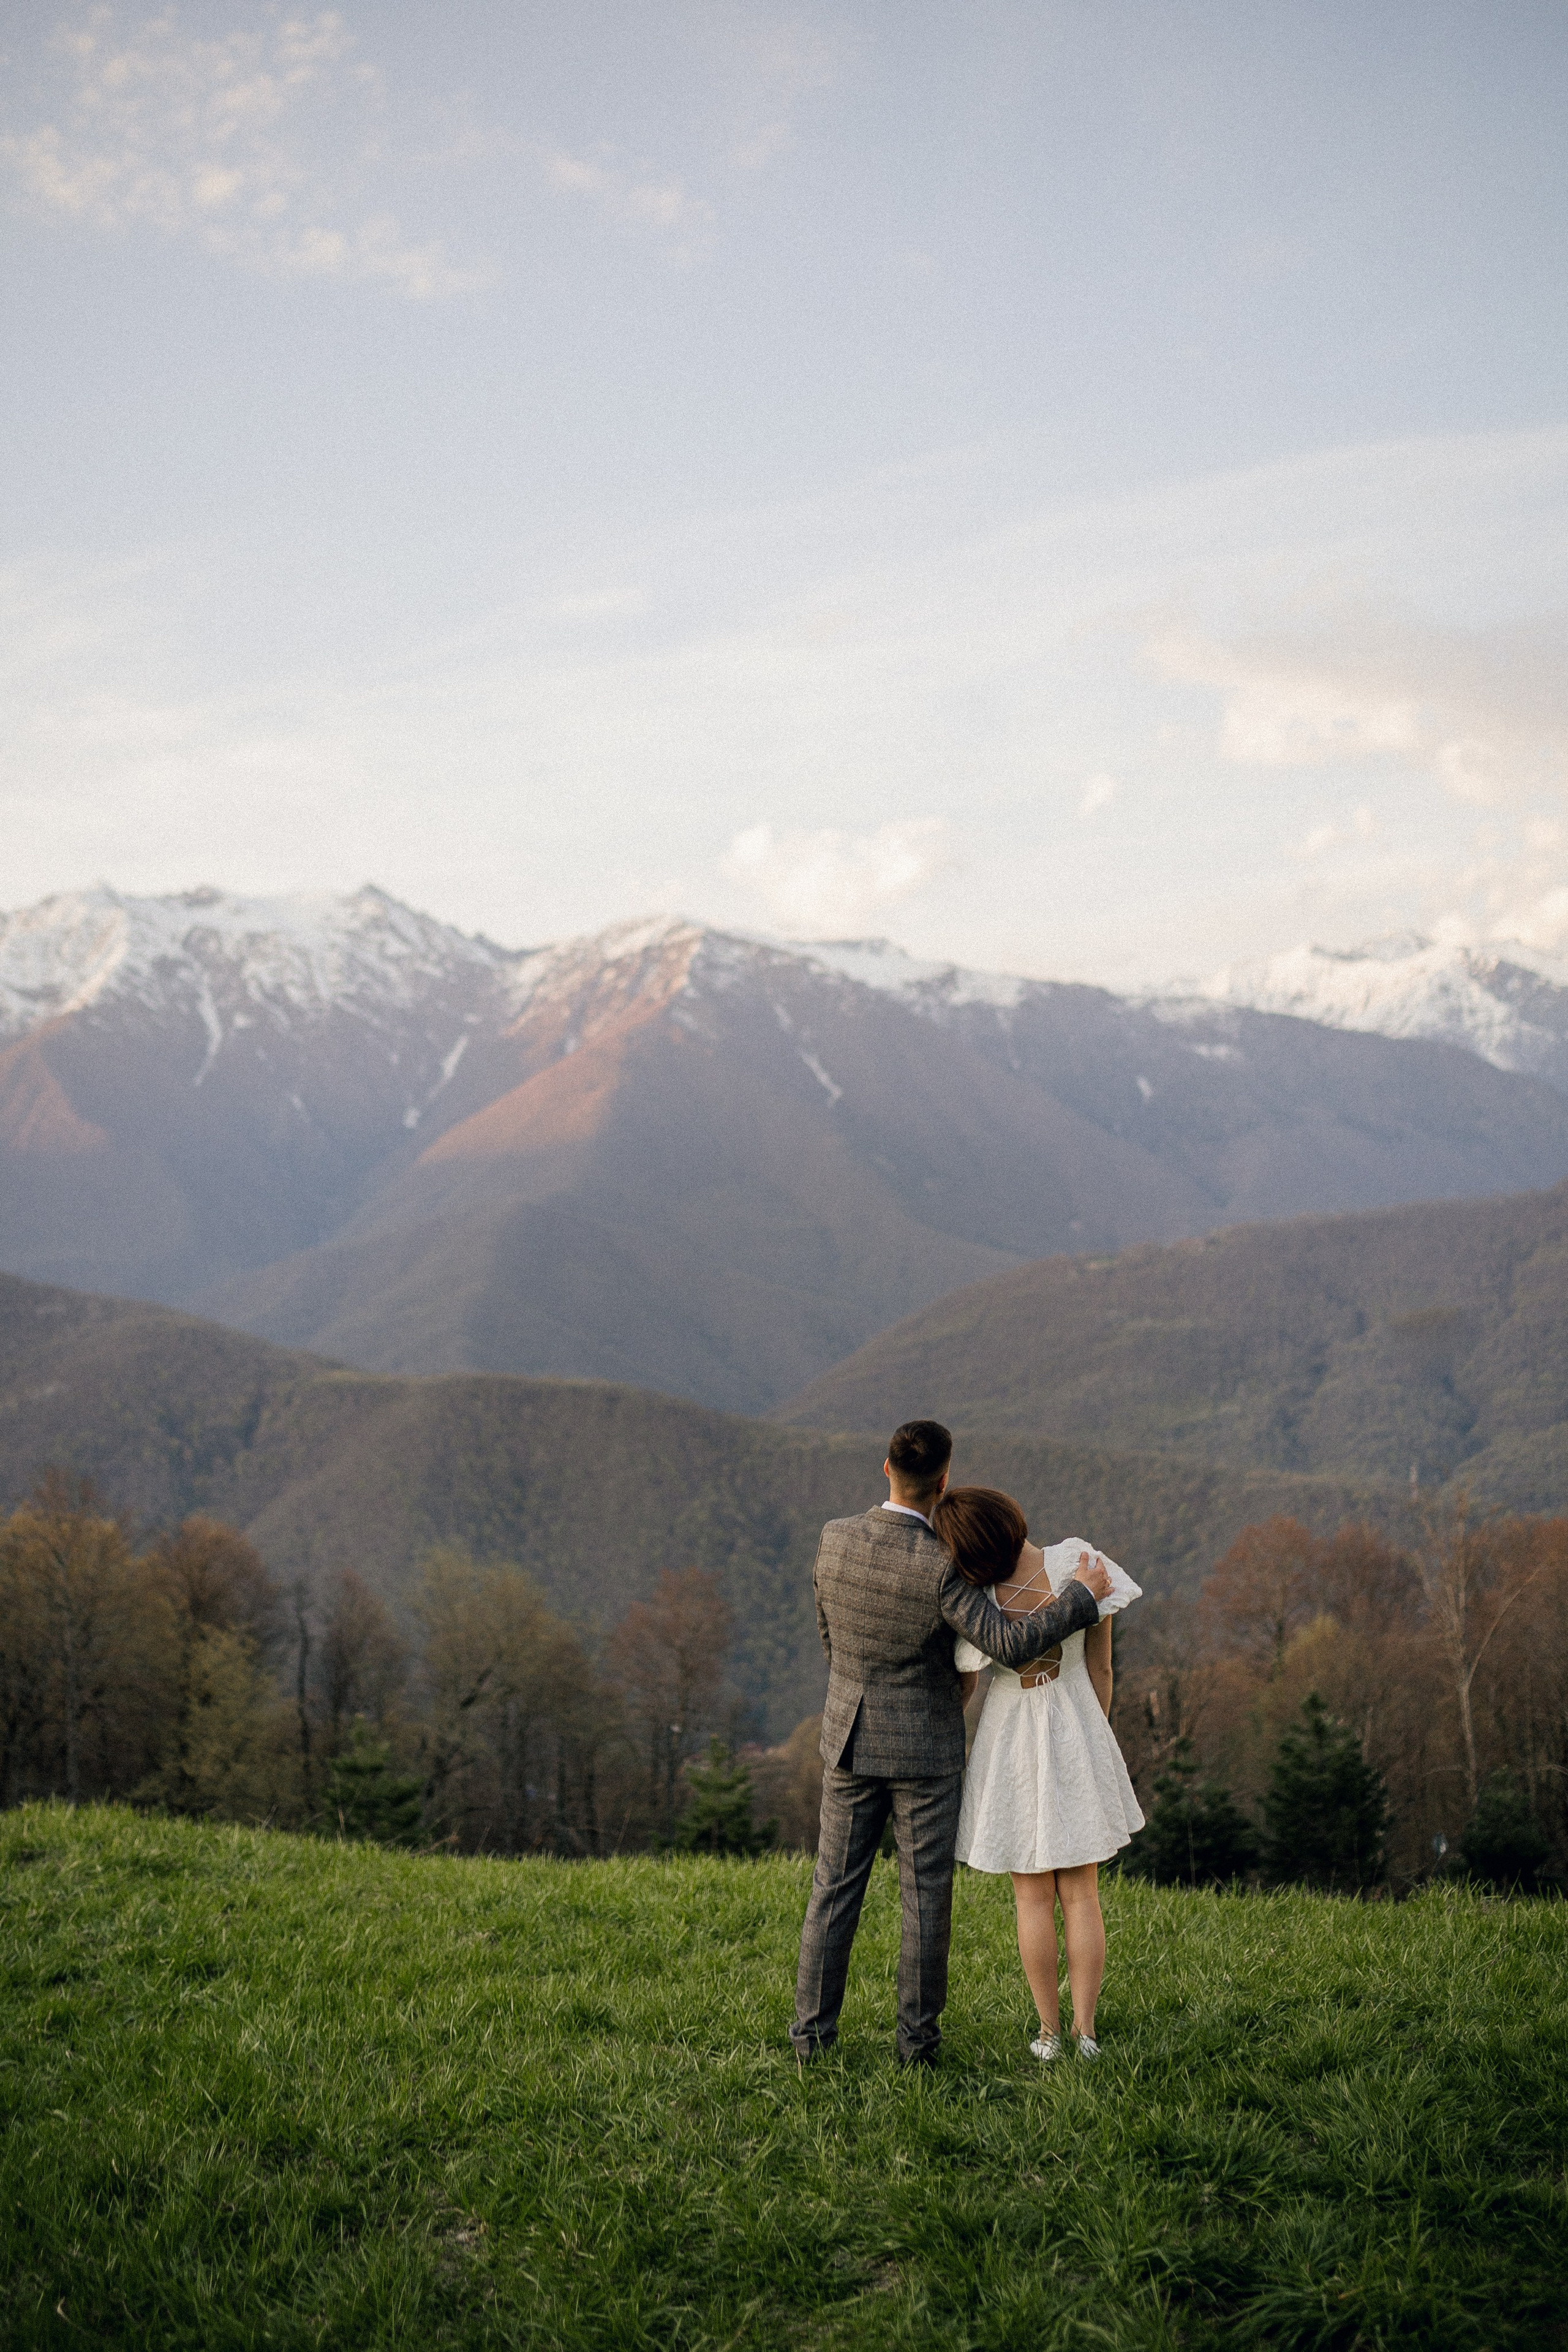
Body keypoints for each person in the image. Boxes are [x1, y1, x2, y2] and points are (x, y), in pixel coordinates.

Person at [790, 1420, 1113, 2068]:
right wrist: (1080, 1598)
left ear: (885, 1468)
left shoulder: (834, 1540)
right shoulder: (943, 1565)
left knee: (833, 1892)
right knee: (924, 1901)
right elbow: (1009, 1644)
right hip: (925, 1753)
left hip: (848, 1737)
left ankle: (811, 2043)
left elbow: (830, 1639)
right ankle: (917, 2049)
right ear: (943, 1481)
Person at [933, 1483, 1144, 2063]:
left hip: (1011, 1741)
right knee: (1082, 1893)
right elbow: (1101, 1665)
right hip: (1077, 1724)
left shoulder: (976, 1599)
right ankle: (1087, 2033)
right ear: (1012, 1518)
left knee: (1031, 1897)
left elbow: (969, 1683)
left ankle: (1048, 2035)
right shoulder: (1078, 1560)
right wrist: (1092, 1734)